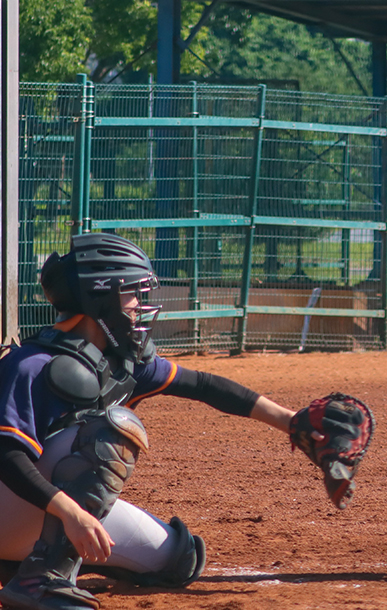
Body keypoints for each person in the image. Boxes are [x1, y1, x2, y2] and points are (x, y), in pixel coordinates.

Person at [0, 233, 302, 610]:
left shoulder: (118, 362)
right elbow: (8, 457)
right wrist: (72, 513)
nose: (139, 305)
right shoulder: (31, 364)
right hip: (11, 504)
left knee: (180, 558)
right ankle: (40, 579)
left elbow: (205, 386)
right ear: (100, 298)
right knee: (113, 429)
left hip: (43, 513)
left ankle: (26, 562)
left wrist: (294, 422)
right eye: (131, 294)